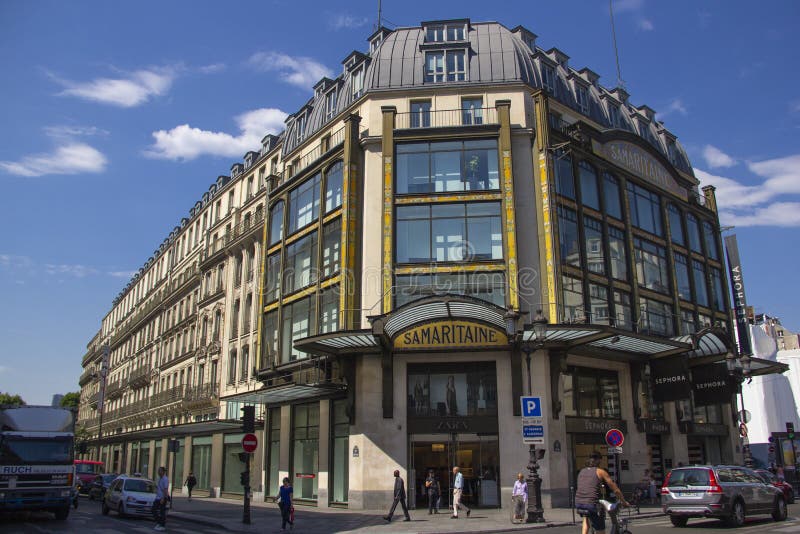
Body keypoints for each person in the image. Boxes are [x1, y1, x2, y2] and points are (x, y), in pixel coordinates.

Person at [575, 452, 629, 534]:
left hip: (579, 503)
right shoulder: (600, 471)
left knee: (586, 519)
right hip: (591, 504)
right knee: (600, 529)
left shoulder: (581, 471)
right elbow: (616, 490)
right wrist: (624, 502)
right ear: (598, 461)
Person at [153, 466, 169, 531]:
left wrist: (163, 498)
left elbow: (165, 489)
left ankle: (162, 525)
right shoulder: (159, 478)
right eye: (158, 470)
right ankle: (159, 523)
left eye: (160, 471)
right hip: (158, 497)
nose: (158, 472)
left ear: (163, 472)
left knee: (162, 512)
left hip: (162, 497)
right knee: (153, 509)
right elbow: (157, 488)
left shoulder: (165, 479)